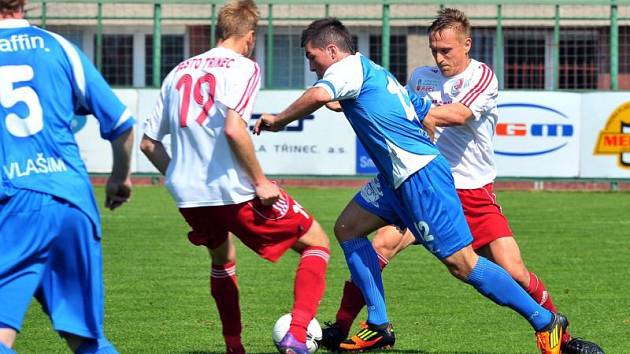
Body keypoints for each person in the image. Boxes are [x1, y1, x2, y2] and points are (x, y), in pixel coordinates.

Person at [254, 17, 575, 354]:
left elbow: (320, 93)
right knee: (348, 228)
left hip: (422, 177)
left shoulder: (347, 69)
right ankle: (377, 324)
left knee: (463, 264)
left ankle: (545, 321)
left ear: (331, 51)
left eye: (311, 56)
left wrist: (279, 119)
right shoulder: (371, 71)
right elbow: (410, 109)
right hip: (399, 178)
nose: (311, 65)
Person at [139, 1, 330, 354]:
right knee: (317, 243)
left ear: (218, 31)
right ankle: (297, 336)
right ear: (251, 36)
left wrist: (180, 176)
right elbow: (233, 128)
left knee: (222, 259)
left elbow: (149, 145)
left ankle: (234, 347)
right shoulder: (244, 67)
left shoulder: (178, 71)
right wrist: (260, 181)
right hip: (234, 191)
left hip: (189, 197)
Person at [0, 0, 135, 353]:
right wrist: (120, 178)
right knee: (86, 339)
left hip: (14, 204)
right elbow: (122, 126)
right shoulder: (58, 47)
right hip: (72, 200)